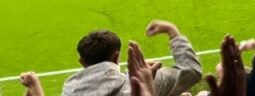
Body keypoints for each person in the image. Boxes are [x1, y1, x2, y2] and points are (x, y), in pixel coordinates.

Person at [60, 21, 203, 96]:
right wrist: (172, 30)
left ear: (82, 62)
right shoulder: (143, 85)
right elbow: (192, 70)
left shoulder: (68, 91)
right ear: (117, 57)